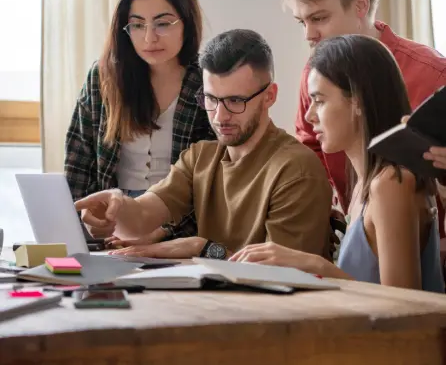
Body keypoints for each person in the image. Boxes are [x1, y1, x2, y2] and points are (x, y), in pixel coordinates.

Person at [231, 35, 443, 365]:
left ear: (357, 101)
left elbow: (404, 316)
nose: (309, 115)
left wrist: (318, 266)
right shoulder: (364, 183)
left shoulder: (392, 183)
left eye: (319, 100)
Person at [74, 29, 333, 260]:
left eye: (235, 101)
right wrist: (115, 207)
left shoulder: (297, 170)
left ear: (269, 96)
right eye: (211, 99)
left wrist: (202, 248)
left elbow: (284, 274)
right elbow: (141, 217)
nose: (220, 116)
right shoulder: (201, 157)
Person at [285, 0, 446, 222]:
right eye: (302, 22)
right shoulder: (313, 73)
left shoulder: (435, 75)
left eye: (319, 18)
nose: (308, 35)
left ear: (360, 4)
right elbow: (309, 154)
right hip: (356, 237)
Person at [65, 0, 215, 243]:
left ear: (187, 22)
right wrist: (88, 224)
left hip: (182, 227)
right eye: (137, 24)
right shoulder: (103, 78)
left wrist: (160, 235)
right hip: (112, 219)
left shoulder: (208, 81)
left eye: (163, 23)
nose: (149, 38)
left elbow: (213, 182)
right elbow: (78, 166)